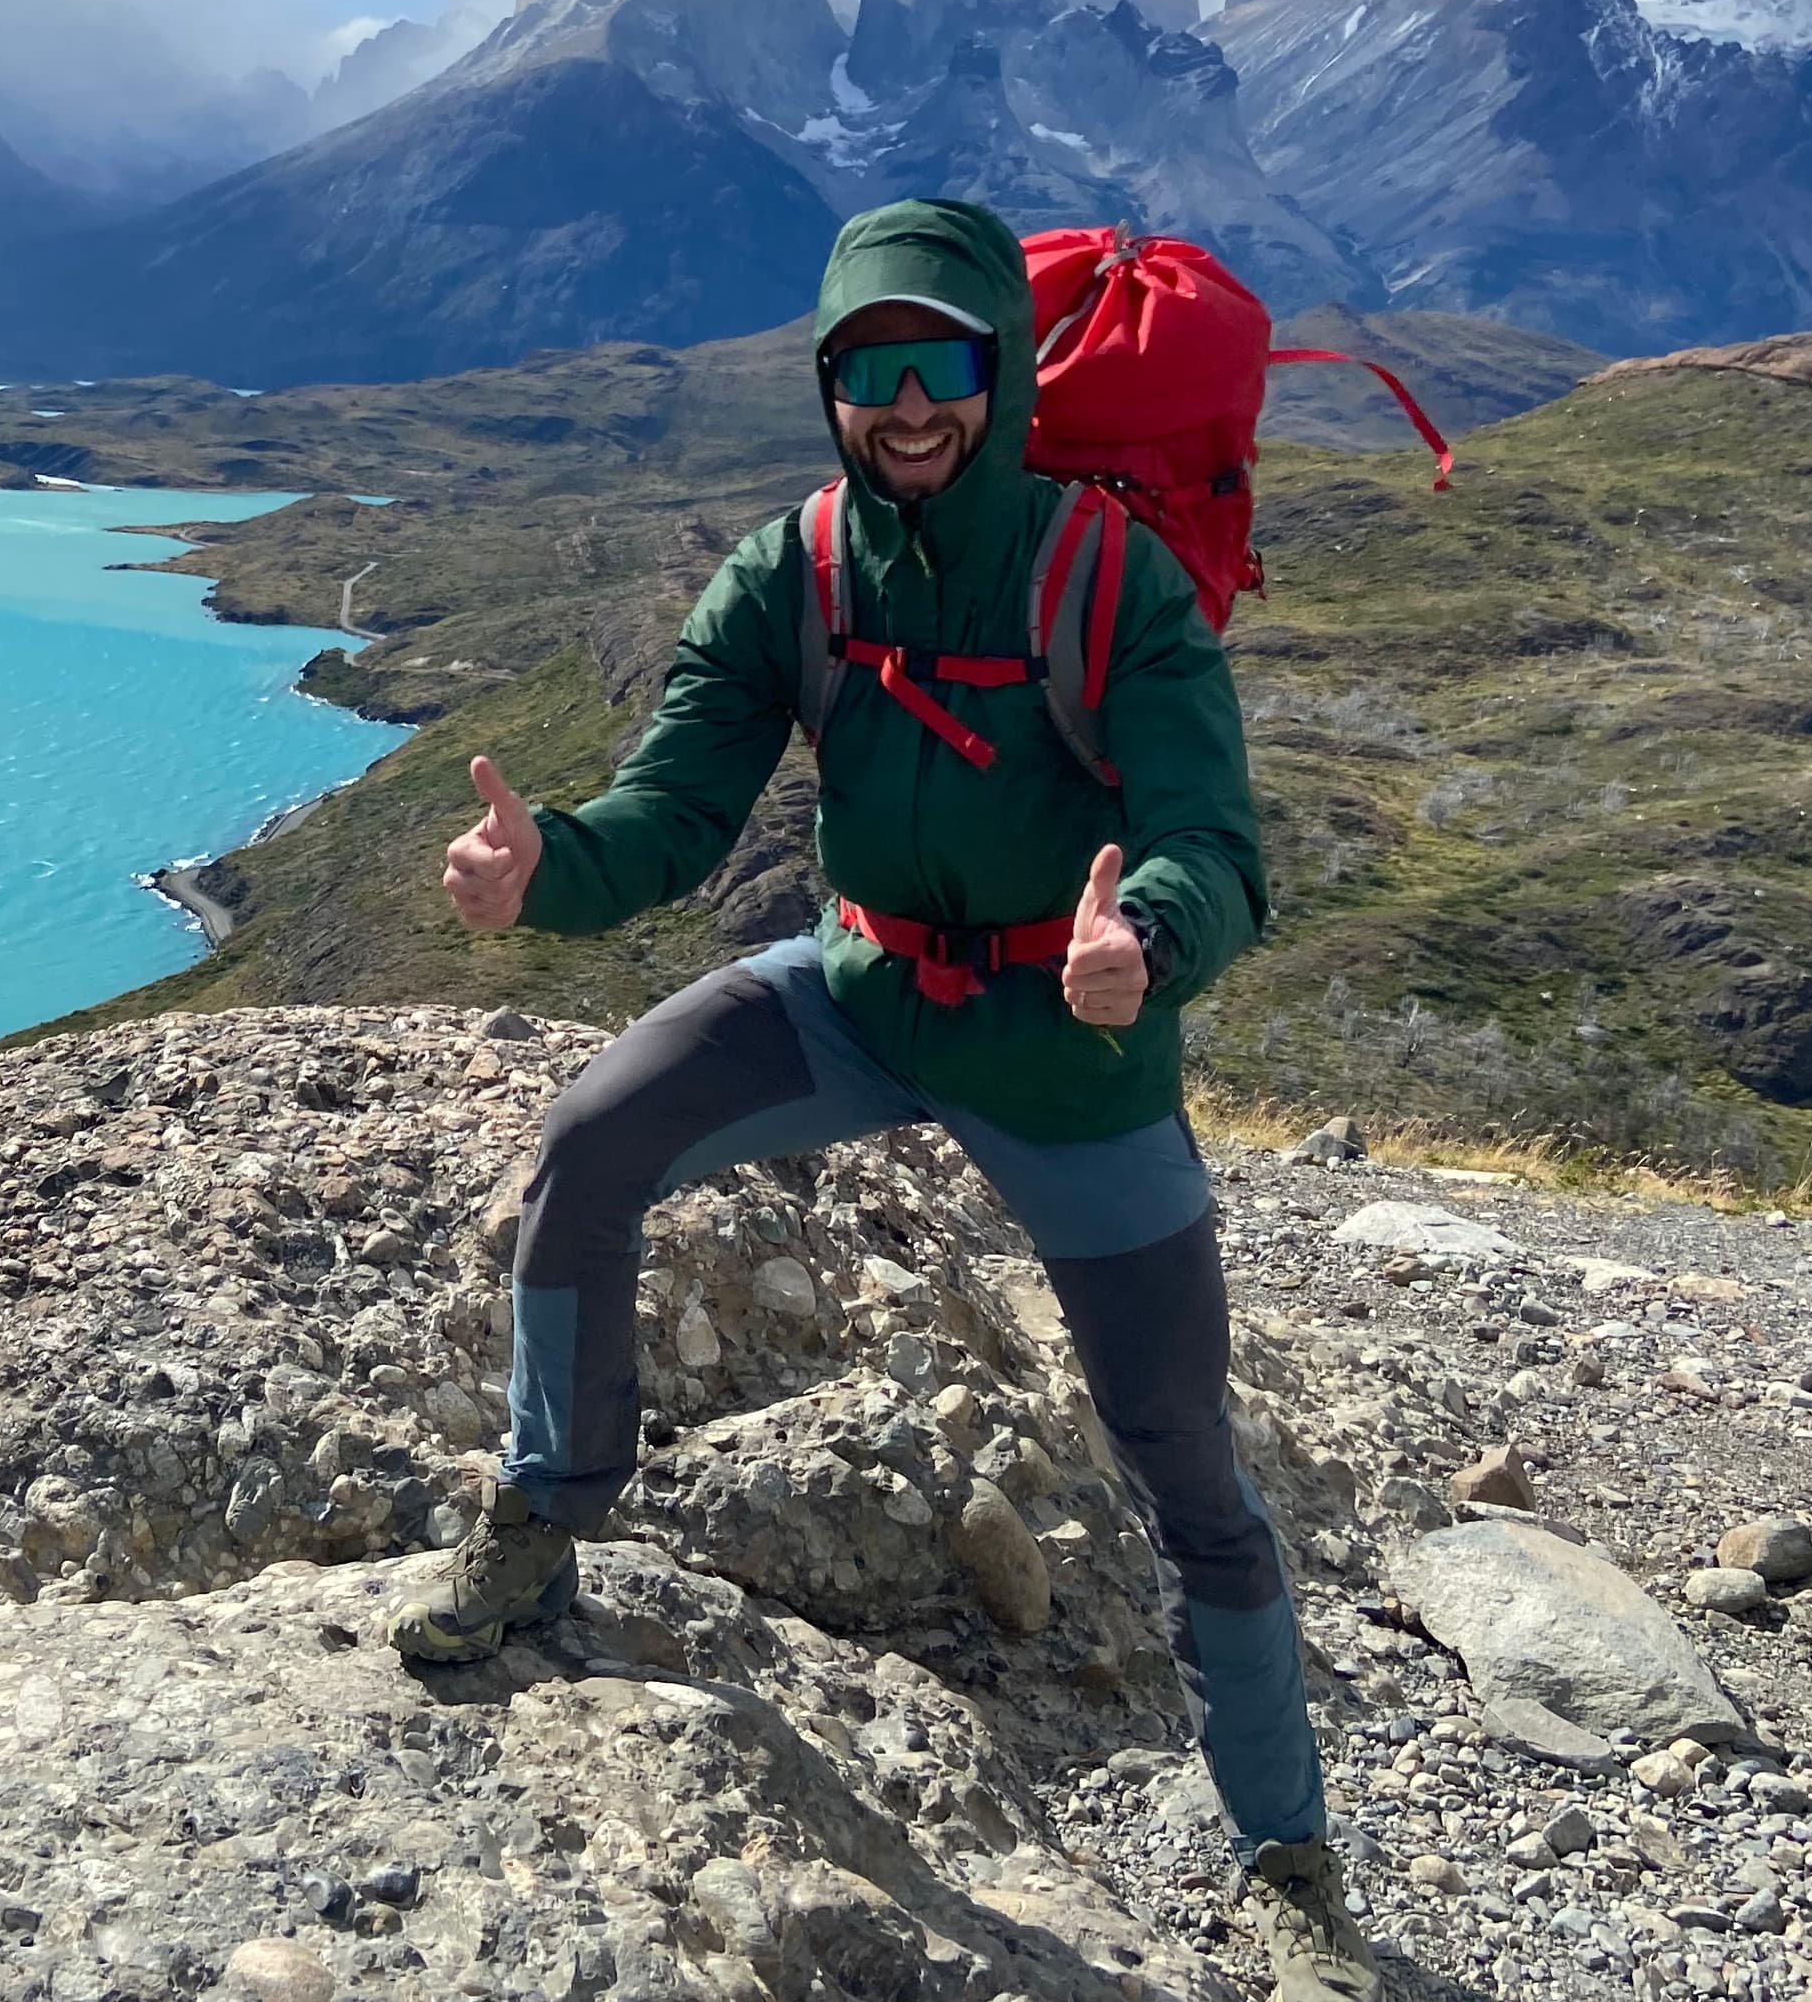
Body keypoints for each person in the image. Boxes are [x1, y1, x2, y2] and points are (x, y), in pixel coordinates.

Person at [394, 198, 1380, 2002]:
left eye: (941, 366)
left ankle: (1285, 1859)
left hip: (1067, 1050)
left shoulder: (1111, 578)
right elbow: (675, 809)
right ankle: (542, 1528)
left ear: (1002, 376)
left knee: (1184, 1463)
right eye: (869, 370)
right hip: (857, 997)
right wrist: (547, 870)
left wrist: (1145, 944)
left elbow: (1216, 846)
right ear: (831, 385)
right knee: (587, 1144)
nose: (906, 405)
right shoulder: (798, 569)